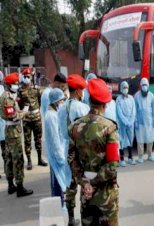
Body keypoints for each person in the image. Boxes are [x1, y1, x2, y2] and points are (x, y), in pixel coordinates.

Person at [68, 78, 119, 226]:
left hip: (86, 193)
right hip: (106, 194)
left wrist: (85, 183)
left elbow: (72, 159)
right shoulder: (109, 128)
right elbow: (112, 165)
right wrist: (94, 182)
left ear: (89, 100)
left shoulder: (75, 127)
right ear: (105, 104)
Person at [57, 74, 89, 226]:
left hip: (67, 148)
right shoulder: (82, 108)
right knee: (85, 182)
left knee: (70, 185)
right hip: (80, 151)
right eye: (82, 89)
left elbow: (60, 132)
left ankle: (70, 218)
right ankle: (86, 217)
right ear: (77, 91)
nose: (83, 92)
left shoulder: (61, 107)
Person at [0, 72, 33, 197]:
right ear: (9, 85)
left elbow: (12, 111)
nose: (16, 85)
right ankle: (19, 187)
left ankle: (11, 185)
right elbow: (12, 116)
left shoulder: (6, 95)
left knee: (9, 158)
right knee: (17, 159)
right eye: (15, 84)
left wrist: (19, 111)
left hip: (9, 131)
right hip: (13, 131)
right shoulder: (7, 97)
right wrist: (23, 113)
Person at [44, 88, 71, 206]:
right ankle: (59, 206)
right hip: (56, 154)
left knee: (58, 181)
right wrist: (61, 157)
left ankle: (60, 204)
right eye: (60, 101)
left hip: (58, 152)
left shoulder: (53, 113)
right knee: (58, 182)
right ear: (55, 102)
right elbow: (55, 139)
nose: (62, 103)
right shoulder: (51, 116)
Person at [18, 67, 48, 170]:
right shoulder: (20, 90)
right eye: (25, 76)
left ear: (31, 77)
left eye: (28, 76)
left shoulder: (36, 89)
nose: (27, 78)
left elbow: (40, 102)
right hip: (26, 119)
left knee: (38, 139)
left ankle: (40, 159)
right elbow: (20, 104)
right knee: (27, 141)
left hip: (36, 118)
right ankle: (29, 161)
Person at [134, 78, 154, 163]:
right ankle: (140, 157)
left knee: (150, 139)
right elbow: (135, 109)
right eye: (143, 85)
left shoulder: (151, 95)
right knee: (140, 140)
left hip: (149, 121)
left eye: (145, 85)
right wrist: (135, 120)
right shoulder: (136, 96)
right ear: (140, 86)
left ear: (148, 86)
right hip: (140, 122)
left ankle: (149, 155)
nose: (144, 87)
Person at [116, 81, 136, 166]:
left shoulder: (131, 98)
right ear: (121, 89)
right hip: (122, 123)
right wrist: (125, 121)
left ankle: (131, 158)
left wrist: (131, 121)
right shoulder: (118, 99)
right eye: (124, 87)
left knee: (130, 140)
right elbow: (119, 112)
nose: (125, 89)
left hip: (130, 124)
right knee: (122, 140)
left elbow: (133, 110)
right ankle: (122, 159)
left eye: (126, 87)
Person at [0, 71, 5, 179]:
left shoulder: (2, 89)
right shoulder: (2, 90)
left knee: (5, 150)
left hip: (3, 123)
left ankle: (7, 168)